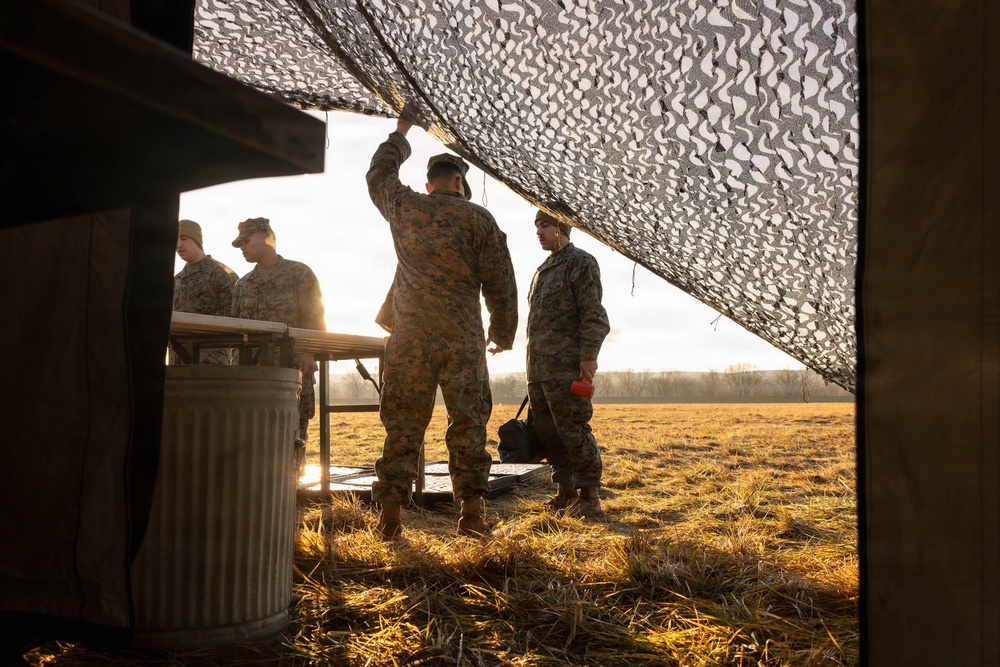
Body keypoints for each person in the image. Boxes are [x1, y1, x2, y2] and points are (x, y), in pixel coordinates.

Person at [366, 118, 518, 538]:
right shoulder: (480, 220)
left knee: (402, 426)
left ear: (430, 184)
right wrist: (501, 335)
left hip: (409, 337)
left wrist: (401, 133)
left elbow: (378, 174)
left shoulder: (405, 206)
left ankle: (390, 520)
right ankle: (471, 516)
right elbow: (501, 284)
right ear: (461, 185)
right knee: (468, 425)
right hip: (462, 339)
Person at [527, 209, 611, 518]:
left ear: (562, 228)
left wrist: (588, 355)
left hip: (566, 368)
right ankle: (564, 491)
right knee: (548, 433)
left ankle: (589, 495)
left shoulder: (580, 263)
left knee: (573, 430)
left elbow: (593, 314)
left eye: (545, 225)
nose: (539, 231)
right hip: (538, 370)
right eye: (537, 226)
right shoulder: (542, 270)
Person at [230, 216, 326, 453]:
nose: (242, 247)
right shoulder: (243, 285)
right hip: (253, 376)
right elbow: (234, 330)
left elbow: (314, 317)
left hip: (292, 371)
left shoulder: (298, 274)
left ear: (265, 238)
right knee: (251, 439)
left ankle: (292, 488)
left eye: (246, 240)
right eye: (239, 243)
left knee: (292, 439)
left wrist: (309, 351)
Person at [172, 218, 238, 364]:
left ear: (197, 241)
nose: (178, 245)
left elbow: (234, 312)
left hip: (212, 357)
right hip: (179, 354)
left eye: (184, 238)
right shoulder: (177, 279)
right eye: (175, 240)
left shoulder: (220, 273)